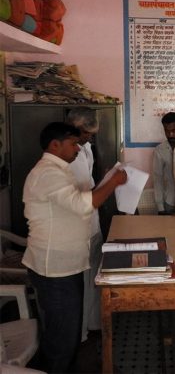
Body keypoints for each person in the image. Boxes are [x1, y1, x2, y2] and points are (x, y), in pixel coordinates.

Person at [22, 122, 127, 373]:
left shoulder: (59, 169)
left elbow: (77, 198)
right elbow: (82, 205)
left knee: (65, 331)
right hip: (54, 268)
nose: (78, 148)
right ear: (55, 144)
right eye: (73, 143)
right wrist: (112, 184)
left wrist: (106, 182)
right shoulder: (48, 172)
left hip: (65, 265)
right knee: (62, 335)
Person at [65, 107, 103, 342]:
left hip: (92, 226)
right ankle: (79, 336)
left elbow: (90, 184)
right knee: (79, 286)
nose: (90, 138)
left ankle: (92, 325)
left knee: (92, 279)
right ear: (75, 129)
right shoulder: (69, 156)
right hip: (77, 231)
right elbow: (86, 195)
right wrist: (111, 183)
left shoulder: (86, 148)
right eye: (86, 133)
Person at [152, 112, 175, 214]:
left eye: (174, 130)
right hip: (170, 202)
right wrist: (160, 207)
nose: (170, 134)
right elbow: (158, 179)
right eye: (167, 131)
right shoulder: (160, 150)